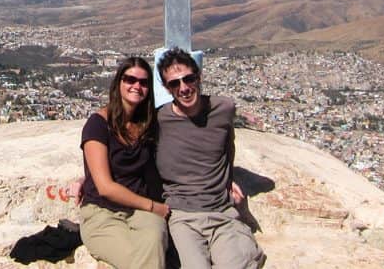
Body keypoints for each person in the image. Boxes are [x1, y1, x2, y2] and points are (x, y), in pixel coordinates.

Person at [156, 48, 265, 269]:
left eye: (188, 79)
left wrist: (228, 177)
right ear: (167, 88)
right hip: (182, 215)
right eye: (175, 83)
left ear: (199, 77)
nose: (184, 88)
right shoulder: (158, 119)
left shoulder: (223, 109)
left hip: (221, 212)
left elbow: (227, 146)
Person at [79, 56, 169, 269]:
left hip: (141, 214)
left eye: (143, 82)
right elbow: (105, 187)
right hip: (102, 213)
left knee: (154, 241)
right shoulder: (97, 125)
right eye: (130, 79)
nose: (136, 86)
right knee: (140, 261)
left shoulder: (148, 125)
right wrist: (153, 206)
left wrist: (226, 176)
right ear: (118, 82)